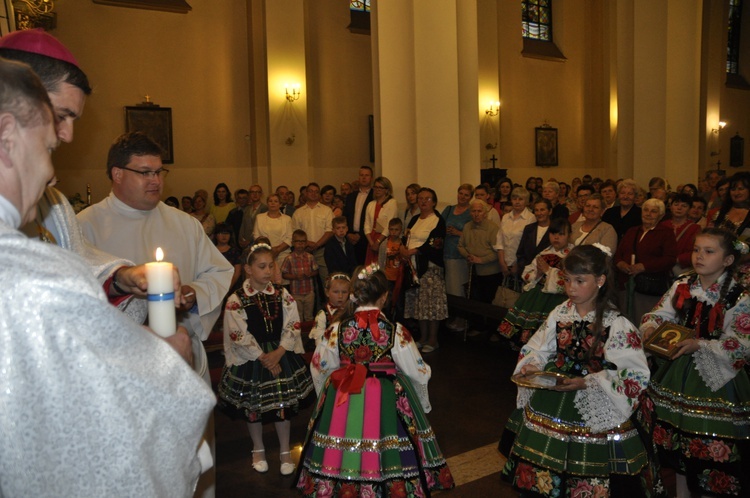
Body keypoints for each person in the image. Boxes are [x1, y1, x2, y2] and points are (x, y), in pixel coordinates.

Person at [0, 56, 215, 497]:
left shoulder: (54, 215)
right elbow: (103, 447)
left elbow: (81, 261)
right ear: (7, 136)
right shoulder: (28, 278)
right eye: (49, 144)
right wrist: (160, 365)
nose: (53, 170)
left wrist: (120, 276)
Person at [77, 131, 235, 377]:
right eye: (144, 172)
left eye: (159, 171)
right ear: (117, 174)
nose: (156, 180)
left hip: (182, 354)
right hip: (119, 364)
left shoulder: (185, 223)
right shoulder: (85, 226)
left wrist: (193, 293)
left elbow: (220, 271)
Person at [500, 244, 652, 497]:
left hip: (595, 398)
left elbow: (633, 374)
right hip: (553, 395)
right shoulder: (560, 313)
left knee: (586, 474)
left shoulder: (617, 324)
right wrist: (533, 364)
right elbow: (538, 345)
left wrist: (587, 383)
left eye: (580, 281)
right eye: (567, 280)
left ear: (601, 280)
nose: (570, 288)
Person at [296, 265, 454, 496]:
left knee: (341, 442)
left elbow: (319, 365)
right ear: (384, 297)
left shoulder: (336, 329)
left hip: (345, 393)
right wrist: (420, 401)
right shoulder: (395, 331)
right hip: (386, 396)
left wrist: (326, 393)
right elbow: (418, 370)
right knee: (388, 440)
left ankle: (339, 483)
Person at [639, 228, 750, 497]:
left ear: (728, 260)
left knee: (710, 448)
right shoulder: (683, 284)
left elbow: (741, 343)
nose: (699, 256)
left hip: (717, 377)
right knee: (675, 445)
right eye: (696, 249)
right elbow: (659, 313)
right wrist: (651, 328)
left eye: (709, 251)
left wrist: (699, 344)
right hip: (676, 371)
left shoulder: (739, 297)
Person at [217, 243, 313, 476]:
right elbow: (237, 332)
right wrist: (263, 357)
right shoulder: (236, 299)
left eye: (271, 265)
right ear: (248, 269)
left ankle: (284, 450)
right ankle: (257, 448)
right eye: (262, 266)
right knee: (254, 407)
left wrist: (279, 352)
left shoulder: (282, 293)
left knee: (282, 406)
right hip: (253, 358)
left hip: (280, 353)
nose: (268, 270)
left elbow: (293, 323)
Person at [498, 217, 573, 348]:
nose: (556, 237)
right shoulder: (544, 252)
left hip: (557, 300)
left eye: (561, 234)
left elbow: (570, 280)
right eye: (553, 233)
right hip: (536, 296)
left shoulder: (572, 256)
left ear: (569, 236)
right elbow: (526, 273)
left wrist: (549, 271)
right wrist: (537, 274)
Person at [613, 198, 677, 325]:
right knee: (624, 322)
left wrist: (644, 266)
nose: (648, 214)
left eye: (653, 211)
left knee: (643, 322)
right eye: (646, 210)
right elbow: (618, 253)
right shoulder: (632, 231)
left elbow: (670, 259)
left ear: (661, 215)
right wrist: (620, 263)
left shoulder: (666, 233)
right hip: (625, 284)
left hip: (648, 287)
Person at [401, 188, 448, 353]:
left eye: (427, 199)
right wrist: (402, 248)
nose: (423, 201)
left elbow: (435, 243)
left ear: (434, 202)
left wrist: (413, 251)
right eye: (420, 198)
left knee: (431, 305)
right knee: (419, 304)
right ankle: (423, 337)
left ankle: (433, 339)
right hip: (413, 267)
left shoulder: (437, 220)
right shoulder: (414, 219)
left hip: (430, 268)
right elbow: (406, 236)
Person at [459, 199, 502, 339]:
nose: (476, 214)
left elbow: (497, 252)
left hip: (491, 271)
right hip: (473, 269)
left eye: (479, 211)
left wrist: (480, 260)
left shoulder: (493, 228)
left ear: (485, 213)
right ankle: (478, 326)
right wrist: (468, 256)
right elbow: (460, 246)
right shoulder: (467, 227)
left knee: (490, 301)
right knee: (475, 299)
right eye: (473, 211)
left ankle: (493, 330)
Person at [708, 172, 750, 288]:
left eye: (741, 189)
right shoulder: (720, 213)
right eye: (733, 189)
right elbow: (709, 237)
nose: (736, 192)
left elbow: (746, 247)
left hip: (744, 266)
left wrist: (731, 260)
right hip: (718, 262)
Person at [441, 184, 473, 332]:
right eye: (461, 193)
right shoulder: (448, 209)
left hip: (460, 256)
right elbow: (439, 226)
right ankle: (454, 316)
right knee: (449, 288)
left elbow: (472, 234)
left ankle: (462, 319)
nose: (462, 197)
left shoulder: (471, 212)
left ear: (470, 197)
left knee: (459, 289)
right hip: (446, 253)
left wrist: (458, 232)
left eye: (466, 195)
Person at [292, 182, 333, 279]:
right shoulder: (298, 212)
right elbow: (295, 233)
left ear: (319, 194)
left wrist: (317, 244)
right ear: (306, 193)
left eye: (316, 192)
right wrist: (308, 243)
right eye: (310, 191)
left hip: (323, 250)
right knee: (305, 279)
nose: (313, 194)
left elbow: (330, 231)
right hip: (304, 250)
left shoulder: (326, 210)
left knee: (326, 279)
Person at [252, 193, 292, 284]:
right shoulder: (260, 217)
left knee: (281, 282)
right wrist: (268, 250)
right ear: (267, 203)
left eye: (276, 201)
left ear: (280, 204)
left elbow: (289, 238)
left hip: (282, 254)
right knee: (266, 282)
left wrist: (277, 250)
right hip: (264, 254)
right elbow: (256, 236)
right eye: (270, 201)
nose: (273, 203)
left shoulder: (287, 219)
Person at [497, 186, 536, 278]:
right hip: (505, 264)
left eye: (521, 199)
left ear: (526, 201)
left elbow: (528, 245)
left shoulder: (531, 218)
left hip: (521, 264)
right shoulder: (505, 217)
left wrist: (518, 264)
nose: (517, 202)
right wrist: (502, 262)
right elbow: (499, 241)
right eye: (514, 199)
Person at [281, 229, 319, 322]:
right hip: (296, 292)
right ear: (292, 243)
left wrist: (310, 274)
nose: (300, 244)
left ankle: (309, 334)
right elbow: (284, 274)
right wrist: (295, 277)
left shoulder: (310, 257)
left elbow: (316, 271)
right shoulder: (289, 258)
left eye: (303, 242)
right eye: (298, 242)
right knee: (298, 316)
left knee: (309, 316)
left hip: (309, 292)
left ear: (306, 243)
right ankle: (300, 334)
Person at [659, 192, 700, 277]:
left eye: (684, 206)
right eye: (676, 204)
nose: (679, 208)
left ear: (689, 209)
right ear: (670, 207)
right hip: (662, 268)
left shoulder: (695, 228)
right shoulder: (662, 225)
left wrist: (675, 259)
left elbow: (695, 251)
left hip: (681, 269)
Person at [308, 273, 350, 346]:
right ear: (327, 292)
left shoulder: (351, 311)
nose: (340, 296)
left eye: (344, 292)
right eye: (336, 292)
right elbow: (319, 342)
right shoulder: (323, 314)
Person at [364, 176, 398, 265]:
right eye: (376, 187)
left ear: (387, 190)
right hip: (372, 239)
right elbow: (366, 225)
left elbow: (389, 225)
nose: (377, 189)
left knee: (382, 265)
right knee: (370, 268)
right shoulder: (371, 204)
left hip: (384, 239)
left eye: (380, 187)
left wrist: (378, 242)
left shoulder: (391, 203)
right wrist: (372, 243)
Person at [344, 165, 374, 265]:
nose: (364, 177)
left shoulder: (375, 196)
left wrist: (360, 235)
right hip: (350, 238)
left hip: (366, 239)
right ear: (358, 177)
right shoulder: (351, 196)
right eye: (361, 175)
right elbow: (345, 217)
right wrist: (348, 234)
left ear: (371, 178)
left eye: (367, 175)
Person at [378, 217, 406, 321]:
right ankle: (388, 322)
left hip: (399, 278)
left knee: (399, 303)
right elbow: (381, 261)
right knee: (387, 303)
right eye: (391, 229)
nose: (393, 232)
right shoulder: (384, 244)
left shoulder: (403, 244)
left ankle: (399, 324)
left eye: (396, 230)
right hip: (387, 278)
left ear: (401, 230)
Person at [515, 198, 552, 273]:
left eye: (542, 210)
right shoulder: (529, 229)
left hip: (548, 274)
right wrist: (525, 269)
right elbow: (520, 252)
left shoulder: (556, 229)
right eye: (536, 210)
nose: (539, 213)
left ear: (550, 211)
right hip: (528, 274)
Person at [215, 222, 243, 290]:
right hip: (214, 285)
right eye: (221, 233)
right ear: (215, 235)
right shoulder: (210, 250)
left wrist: (229, 286)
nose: (224, 236)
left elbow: (237, 272)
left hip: (232, 286)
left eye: (227, 233)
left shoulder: (235, 251)